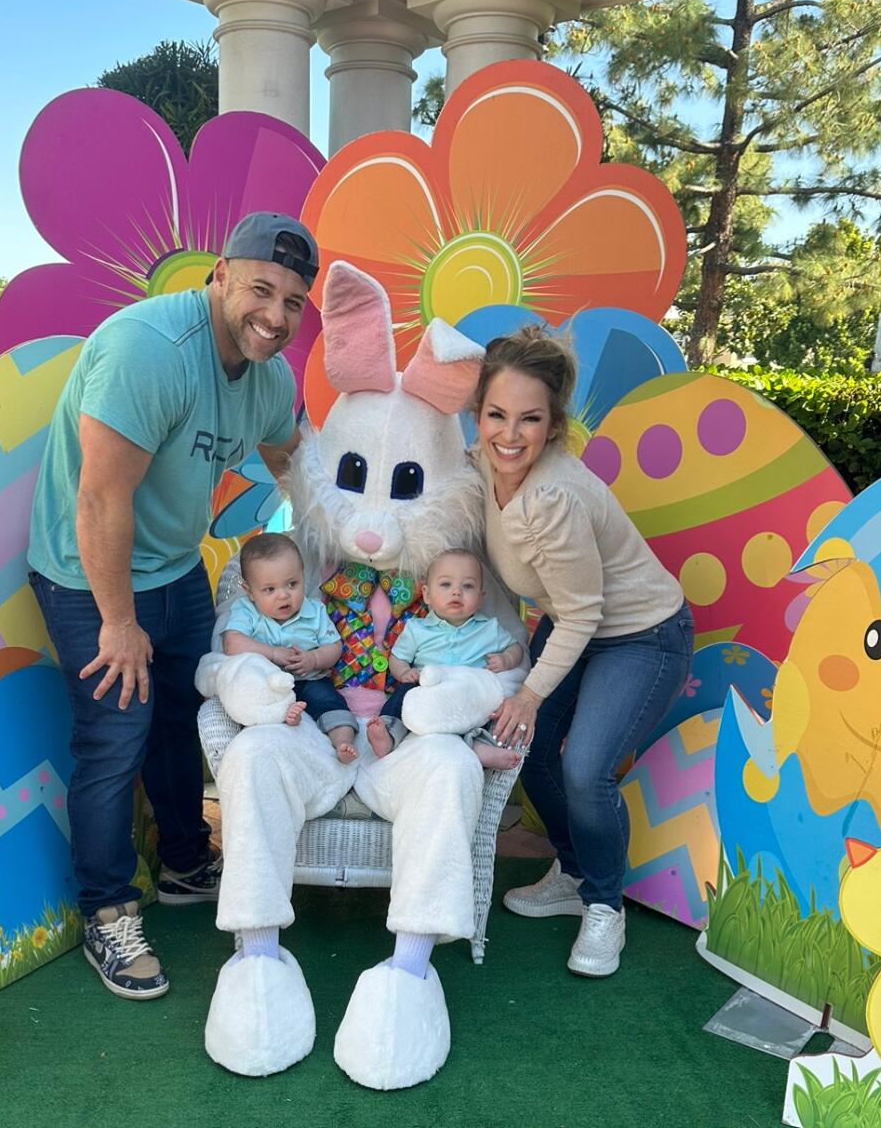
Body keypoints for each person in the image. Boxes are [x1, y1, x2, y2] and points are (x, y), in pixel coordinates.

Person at [27, 212, 317, 1000]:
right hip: (89, 572)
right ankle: (108, 909)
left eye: (293, 302)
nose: (275, 315)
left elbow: (297, 465)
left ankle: (187, 861)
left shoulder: (270, 377)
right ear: (221, 274)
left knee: (181, 717)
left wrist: (346, 541)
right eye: (262, 289)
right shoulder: (149, 350)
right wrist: (118, 623)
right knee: (114, 735)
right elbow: (98, 500)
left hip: (175, 566)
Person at [472, 327, 694, 977]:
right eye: (497, 414)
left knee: (585, 768)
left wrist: (529, 692)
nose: (509, 435)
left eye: (530, 419)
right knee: (528, 749)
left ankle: (605, 904)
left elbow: (582, 613)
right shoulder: (479, 463)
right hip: (577, 622)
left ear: (554, 423)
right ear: (478, 411)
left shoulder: (553, 497)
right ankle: (573, 872)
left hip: (641, 633)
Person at [366, 548, 525, 770]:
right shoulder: (417, 629)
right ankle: (390, 731)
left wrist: (506, 659)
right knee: (404, 693)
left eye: (468, 586)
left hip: (463, 694)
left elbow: (516, 647)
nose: (457, 592)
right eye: (445, 585)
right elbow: (397, 658)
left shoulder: (490, 628)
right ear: (427, 594)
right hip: (426, 690)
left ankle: (478, 746)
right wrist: (403, 672)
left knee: (481, 712)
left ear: (481, 598)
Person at [221, 533, 361, 762]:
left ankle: (342, 741)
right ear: (249, 591)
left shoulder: (314, 610)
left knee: (330, 703)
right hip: (268, 684)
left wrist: (314, 659)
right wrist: (273, 653)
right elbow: (232, 643)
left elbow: (334, 646)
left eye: (292, 584)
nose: (284, 595)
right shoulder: (245, 611)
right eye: (269, 590)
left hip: (310, 679)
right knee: (261, 702)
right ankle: (285, 718)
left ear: (303, 576)